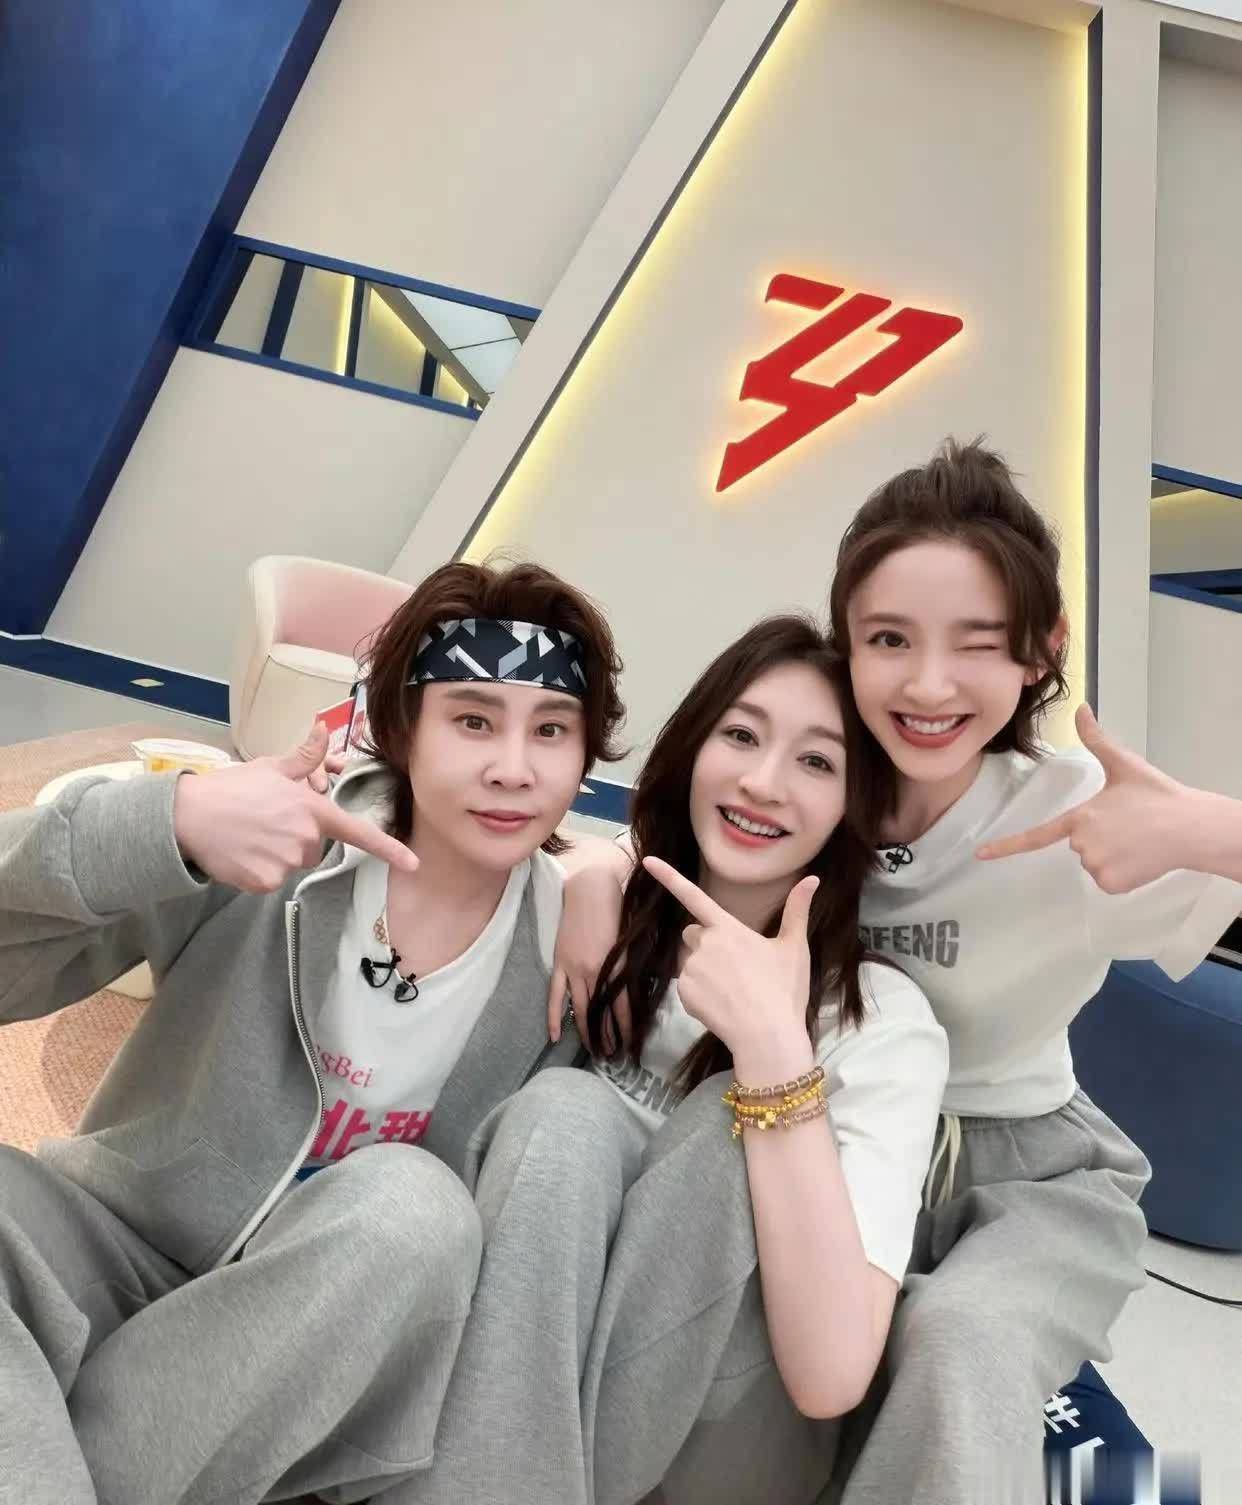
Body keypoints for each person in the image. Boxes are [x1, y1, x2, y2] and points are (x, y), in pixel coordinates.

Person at [556, 439, 1242, 1504]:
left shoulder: (1080, 818)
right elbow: (685, 834)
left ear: (1042, 649)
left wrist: (1210, 830)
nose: (927, 684)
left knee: (958, 1344)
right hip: (830, 1125)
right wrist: (596, 873)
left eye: (978, 643)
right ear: (848, 643)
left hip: (1022, 1170)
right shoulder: (821, 774)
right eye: (888, 639)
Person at [0, 559, 624, 1505]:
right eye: (472, 719)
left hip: (312, 1340)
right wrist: (172, 822)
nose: (513, 766)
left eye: (551, 729)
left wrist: (609, 872)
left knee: (416, 1207)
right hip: (119, 1244)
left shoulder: (569, 957)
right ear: (404, 727)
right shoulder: (276, 842)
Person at [391, 615, 947, 1505]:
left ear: (858, 802)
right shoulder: (604, 918)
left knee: (723, 1127)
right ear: (694, 745)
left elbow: (832, 1374)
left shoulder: (880, 1023)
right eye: (742, 735)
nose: (763, 782)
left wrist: (774, 1054)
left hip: (727, 1439)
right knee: (564, 1110)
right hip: (524, 1399)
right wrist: (594, 875)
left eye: (817, 761)